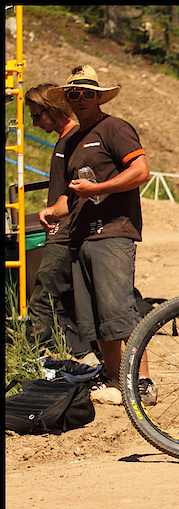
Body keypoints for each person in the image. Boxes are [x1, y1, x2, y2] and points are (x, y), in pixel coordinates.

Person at [39, 65, 155, 403]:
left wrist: (98, 188)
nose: (81, 99)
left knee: (121, 310)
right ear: (68, 100)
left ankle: (143, 381)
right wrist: (50, 212)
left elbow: (140, 171)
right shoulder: (71, 140)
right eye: (74, 94)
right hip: (80, 237)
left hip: (113, 232)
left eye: (88, 93)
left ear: (99, 97)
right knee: (97, 319)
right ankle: (119, 382)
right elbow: (67, 197)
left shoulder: (114, 127)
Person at [24, 84, 79, 348]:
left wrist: (56, 212)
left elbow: (77, 191)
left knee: (41, 298)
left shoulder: (75, 139)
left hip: (66, 233)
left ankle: (34, 361)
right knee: (71, 301)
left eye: (37, 116)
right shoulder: (64, 140)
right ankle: (89, 358)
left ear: (54, 109)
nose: (34, 124)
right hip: (62, 231)